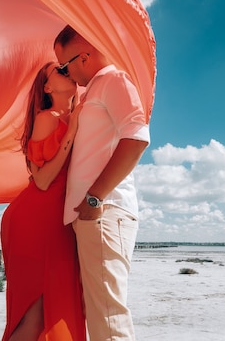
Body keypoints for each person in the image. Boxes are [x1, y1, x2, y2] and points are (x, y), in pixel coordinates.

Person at [54, 25, 150, 340]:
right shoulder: (94, 89)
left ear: (84, 57)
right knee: (99, 314)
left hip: (103, 212)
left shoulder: (113, 80)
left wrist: (94, 199)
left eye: (64, 67)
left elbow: (136, 139)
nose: (65, 75)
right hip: (94, 215)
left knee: (108, 318)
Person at [0, 61, 86, 341]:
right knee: (34, 314)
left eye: (66, 68)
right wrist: (71, 133)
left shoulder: (74, 115)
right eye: (59, 71)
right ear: (48, 87)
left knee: (55, 308)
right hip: (34, 219)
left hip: (55, 220)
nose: (66, 71)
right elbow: (43, 180)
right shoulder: (48, 116)